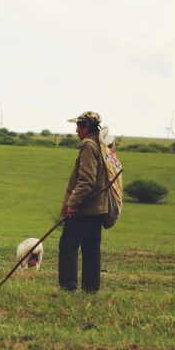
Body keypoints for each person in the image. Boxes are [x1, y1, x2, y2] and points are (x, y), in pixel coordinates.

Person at [59, 111, 109, 292]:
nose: (76, 130)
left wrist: (73, 204)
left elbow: (87, 180)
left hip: (85, 207)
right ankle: (91, 289)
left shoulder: (88, 145)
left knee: (68, 246)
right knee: (91, 248)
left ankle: (68, 288)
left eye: (79, 125)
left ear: (87, 126)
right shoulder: (103, 144)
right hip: (99, 207)